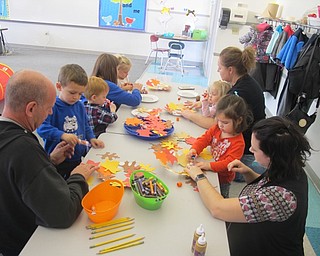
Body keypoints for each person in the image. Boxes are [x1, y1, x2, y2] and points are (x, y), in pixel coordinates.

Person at [0, 70, 98, 256]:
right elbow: (63, 213)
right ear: (31, 109)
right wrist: (79, 176)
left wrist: (49, 161)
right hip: (28, 243)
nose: (51, 112)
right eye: (49, 107)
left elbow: (14, 177)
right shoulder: (24, 148)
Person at [184, 116, 311, 255]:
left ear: (272, 155)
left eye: (255, 150)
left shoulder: (282, 197)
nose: (250, 150)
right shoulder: (288, 165)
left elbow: (217, 208)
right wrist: (249, 173)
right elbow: (265, 187)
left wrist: (199, 176)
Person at [37, 64, 104, 179]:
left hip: (76, 156)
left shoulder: (80, 105)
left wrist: (91, 138)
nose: (76, 97)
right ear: (59, 86)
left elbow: (85, 125)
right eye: (72, 93)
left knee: (77, 180)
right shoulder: (52, 107)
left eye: (80, 94)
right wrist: (62, 135)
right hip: (58, 159)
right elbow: (42, 128)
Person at [186, 94, 252, 198]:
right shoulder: (217, 128)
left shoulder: (238, 143)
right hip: (209, 170)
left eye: (225, 122)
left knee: (220, 197)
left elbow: (227, 164)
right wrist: (194, 149)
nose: (220, 125)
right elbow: (205, 138)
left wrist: (209, 166)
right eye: (219, 120)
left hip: (222, 179)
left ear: (239, 120)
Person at [218, 46, 266, 181]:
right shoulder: (244, 82)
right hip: (250, 142)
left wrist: (189, 114)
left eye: (220, 67)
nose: (218, 70)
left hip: (246, 150)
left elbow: (218, 122)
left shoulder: (241, 92)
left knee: (218, 167)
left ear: (230, 70)